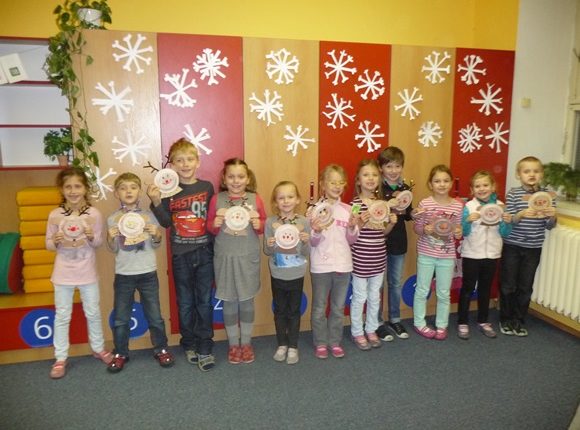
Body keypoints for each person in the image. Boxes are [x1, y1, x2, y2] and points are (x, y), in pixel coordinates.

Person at [147, 139, 216, 371]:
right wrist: (156, 201)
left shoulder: (207, 187)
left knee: (204, 302)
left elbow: (213, 219)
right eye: (179, 160)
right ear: (172, 165)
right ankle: (189, 343)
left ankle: (205, 345)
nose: (185, 164)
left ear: (198, 162)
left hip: (205, 253)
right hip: (181, 255)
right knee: (185, 303)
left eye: (189, 159)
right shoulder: (168, 191)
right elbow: (166, 223)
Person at [45, 167, 112, 379]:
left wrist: (92, 237)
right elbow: (48, 244)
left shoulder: (94, 214)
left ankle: (98, 348)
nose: (73, 191)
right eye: (68, 187)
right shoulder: (55, 215)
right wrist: (54, 241)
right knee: (62, 315)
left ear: (85, 188)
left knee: (93, 312)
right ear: (61, 189)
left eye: (77, 186)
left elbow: (98, 243)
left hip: (87, 272)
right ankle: (60, 357)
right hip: (63, 274)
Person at [106, 172, 174, 372]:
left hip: (147, 272)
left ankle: (161, 349)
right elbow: (113, 249)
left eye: (133, 187)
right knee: (121, 317)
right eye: (123, 188)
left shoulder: (149, 216)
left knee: (155, 316)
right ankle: (120, 352)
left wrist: (157, 235)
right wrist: (110, 238)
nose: (128, 191)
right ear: (116, 193)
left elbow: (156, 244)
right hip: (124, 274)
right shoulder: (113, 219)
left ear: (139, 191)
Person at [207, 158, 267, 365]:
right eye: (231, 176)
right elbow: (210, 226)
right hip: (225, 257)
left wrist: (259, 224)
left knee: (247, 300)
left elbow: (264, 224)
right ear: (224, 179)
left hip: (247, 257)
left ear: (247, 178)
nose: (236, 181)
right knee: (229, 300)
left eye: (240, 176)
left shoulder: (255, 199)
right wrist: (214, 224)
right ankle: (233, 344)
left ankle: (246, 343)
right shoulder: (217, 199)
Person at [500, 156, 557, 337]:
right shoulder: (513, 193)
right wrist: (521, 214)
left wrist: (552, 216)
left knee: (525, 286)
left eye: (536, 171)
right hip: (513, 246)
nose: (532, 174)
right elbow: (509, 220)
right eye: (527, 171)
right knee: (508, 285)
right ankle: (505, 319)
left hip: (533, 247)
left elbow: (550, 226)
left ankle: (518, 320)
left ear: (541, 174)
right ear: (519, 175)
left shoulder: (548, 196)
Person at [309, 164, 359, 359]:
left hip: (343, 266)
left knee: (338, 308)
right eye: (332, 182)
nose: (337, 186)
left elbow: (352, 240)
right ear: (323, 184)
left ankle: (335, 341)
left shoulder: (348, 209)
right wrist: (316, 231)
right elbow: (312, 242)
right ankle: (321, 342)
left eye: (341, 182)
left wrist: (352, 227)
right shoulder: (314, 210)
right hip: (320, 267)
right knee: (319, 308)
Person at [457, 170, 512, 340]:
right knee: (467, 288)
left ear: (493, 187)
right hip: (472, 254)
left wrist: (507, 222)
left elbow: (505, 233)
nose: (481, 189)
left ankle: (483, 320)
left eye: (485, 185)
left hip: (492, 254)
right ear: (472, 190)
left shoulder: (501, 206)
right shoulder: (469, 206)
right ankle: (462, 321)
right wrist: (468, 221)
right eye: (477, 186)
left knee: (485, 288)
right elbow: (463, 232)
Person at [349, 160, 397, 351]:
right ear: (358, 180)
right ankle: (357, 332)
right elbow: (351, 233)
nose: (370, 178)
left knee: (375, 297)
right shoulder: (354, 204)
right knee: (359, 297)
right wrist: (360, 222)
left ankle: (371, 329)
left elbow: (382, 233)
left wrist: (391, 223)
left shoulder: (382, 204)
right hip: (360, 258)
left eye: (374, 175)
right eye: (366, 175)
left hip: (378, 258)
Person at [412, 164, 463, 340]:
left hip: (447, 256)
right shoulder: (425, 203)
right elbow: (417, 228)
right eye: (437, 181)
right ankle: (419, 323)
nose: (442, 184)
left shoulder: (457, 206)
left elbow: (458, 230)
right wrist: (424, 229)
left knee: (443, 292)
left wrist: (459, 232)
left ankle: (442, 325)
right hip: (426, 253)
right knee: (422, 289)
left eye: (446, 181)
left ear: (451, 183)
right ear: (430, 184)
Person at [263, 181, 310, 364]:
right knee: (280, 310)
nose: (286, 201)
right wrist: (270, 244)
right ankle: (282, 344)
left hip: (296, 273)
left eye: (290, 197)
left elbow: (306, 252)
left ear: (297, 199)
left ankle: (293, 346)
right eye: (281, 198)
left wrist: (306, 241)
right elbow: (267, 251)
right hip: (278, 273)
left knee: (294, 311)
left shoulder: (303, 222)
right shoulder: (270, 222)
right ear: (275, 202)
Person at [376, 146, 413, 341]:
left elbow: (407, 215)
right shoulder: (376, 188)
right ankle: (376, 322)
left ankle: (395, 319)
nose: (393, 170)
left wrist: (414, 213)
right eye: (389, 166)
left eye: (397, 166)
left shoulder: (405, 188)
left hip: (398, 241)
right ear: (381, 168)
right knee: (377, 285)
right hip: (377, 242)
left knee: (395, 283)